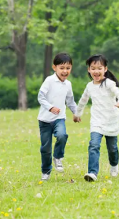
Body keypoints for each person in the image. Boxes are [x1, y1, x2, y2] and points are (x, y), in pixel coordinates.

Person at [74, 54, 119, 182]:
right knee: (94, 145)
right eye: (93, 68)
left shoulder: (109, 83)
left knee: (112, 148)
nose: (96, 71)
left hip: (111, 120)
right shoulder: (89, 86)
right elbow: (83, 101)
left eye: (99, 68)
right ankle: (92, 173)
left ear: (105, 69)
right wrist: (77, 113)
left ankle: (114, 166)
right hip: (97, 122)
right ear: (89, 70)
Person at [37, 53, 79, 181]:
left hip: (59, 118)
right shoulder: (49, 81)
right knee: (45, 148)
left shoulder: (68, 84)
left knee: (62, 135)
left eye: (68, 68)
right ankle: (46, 171)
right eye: (62, 68)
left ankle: (58, 157)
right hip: (44, 120)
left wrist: (76, 112)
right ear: (54, 67)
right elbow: (40, 97)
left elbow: (70, 101)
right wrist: (50, 107)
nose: (65, 71)